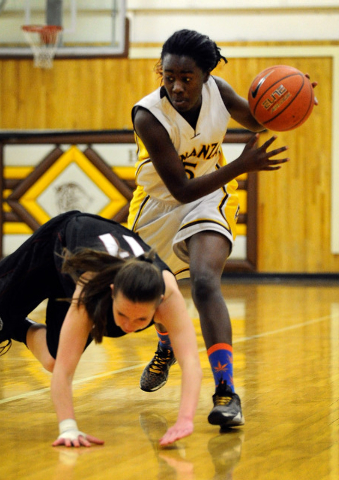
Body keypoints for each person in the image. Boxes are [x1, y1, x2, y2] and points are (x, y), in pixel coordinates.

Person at [128, 29, 317, 427]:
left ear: (206, 75)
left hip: (209, 196)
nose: (177, 86)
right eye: (169, 76)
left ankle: (226, 393)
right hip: (159, 205)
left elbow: (260, 119)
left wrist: (295, 100)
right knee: (155, 294)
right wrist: (241, 166)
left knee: (204, 282)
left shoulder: (219, 91)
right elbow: (179, 189)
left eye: (187, 77)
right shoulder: (148, 115)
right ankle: (166, 344)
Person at [0, 211, 202, 447]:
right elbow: (65, 374)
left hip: (87, 255)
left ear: (158, 303)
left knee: (53, 358)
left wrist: (185, 419)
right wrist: (68, 427)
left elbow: (190, 361)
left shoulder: (168, 295)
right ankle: (5, 318)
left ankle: (14, 326)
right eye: (122, 314)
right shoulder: (90, 289)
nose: (128, 325)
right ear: (112, 293)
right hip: (55, 247)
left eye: (140, 321)